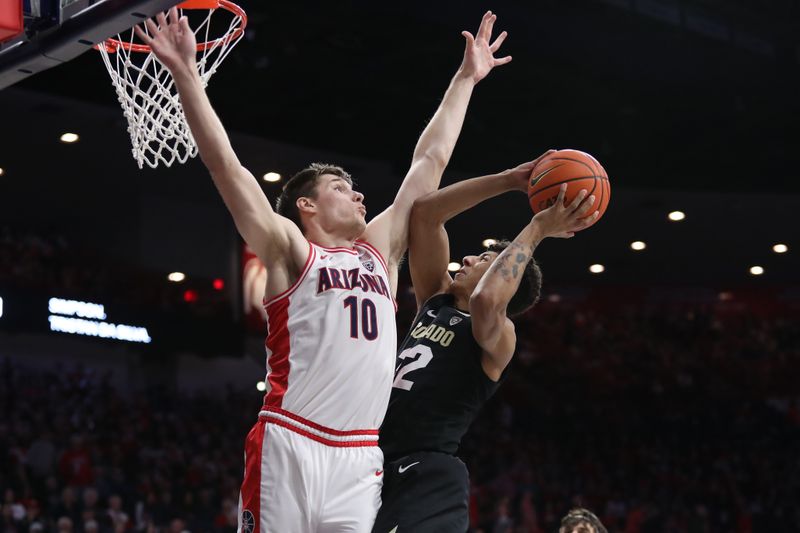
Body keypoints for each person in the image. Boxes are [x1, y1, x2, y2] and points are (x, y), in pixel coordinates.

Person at [136, 9, 511, 533]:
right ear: (306, 208)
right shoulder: (290, 249)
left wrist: (466, 78)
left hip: (359, 458)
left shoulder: (379, 251)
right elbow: (227, 167)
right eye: (340, 187)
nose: (357, 193)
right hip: (290, 438)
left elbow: (429, 161)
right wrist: (186, 77)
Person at [372, 164, 599, 532]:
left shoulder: (500, 335)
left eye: (483, 260)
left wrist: (537, 228)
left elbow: (487, 298)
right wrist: (508, 180)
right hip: (369, 460)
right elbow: (426, 215)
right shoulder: (435, 299)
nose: (466, 259)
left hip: (427, 471)